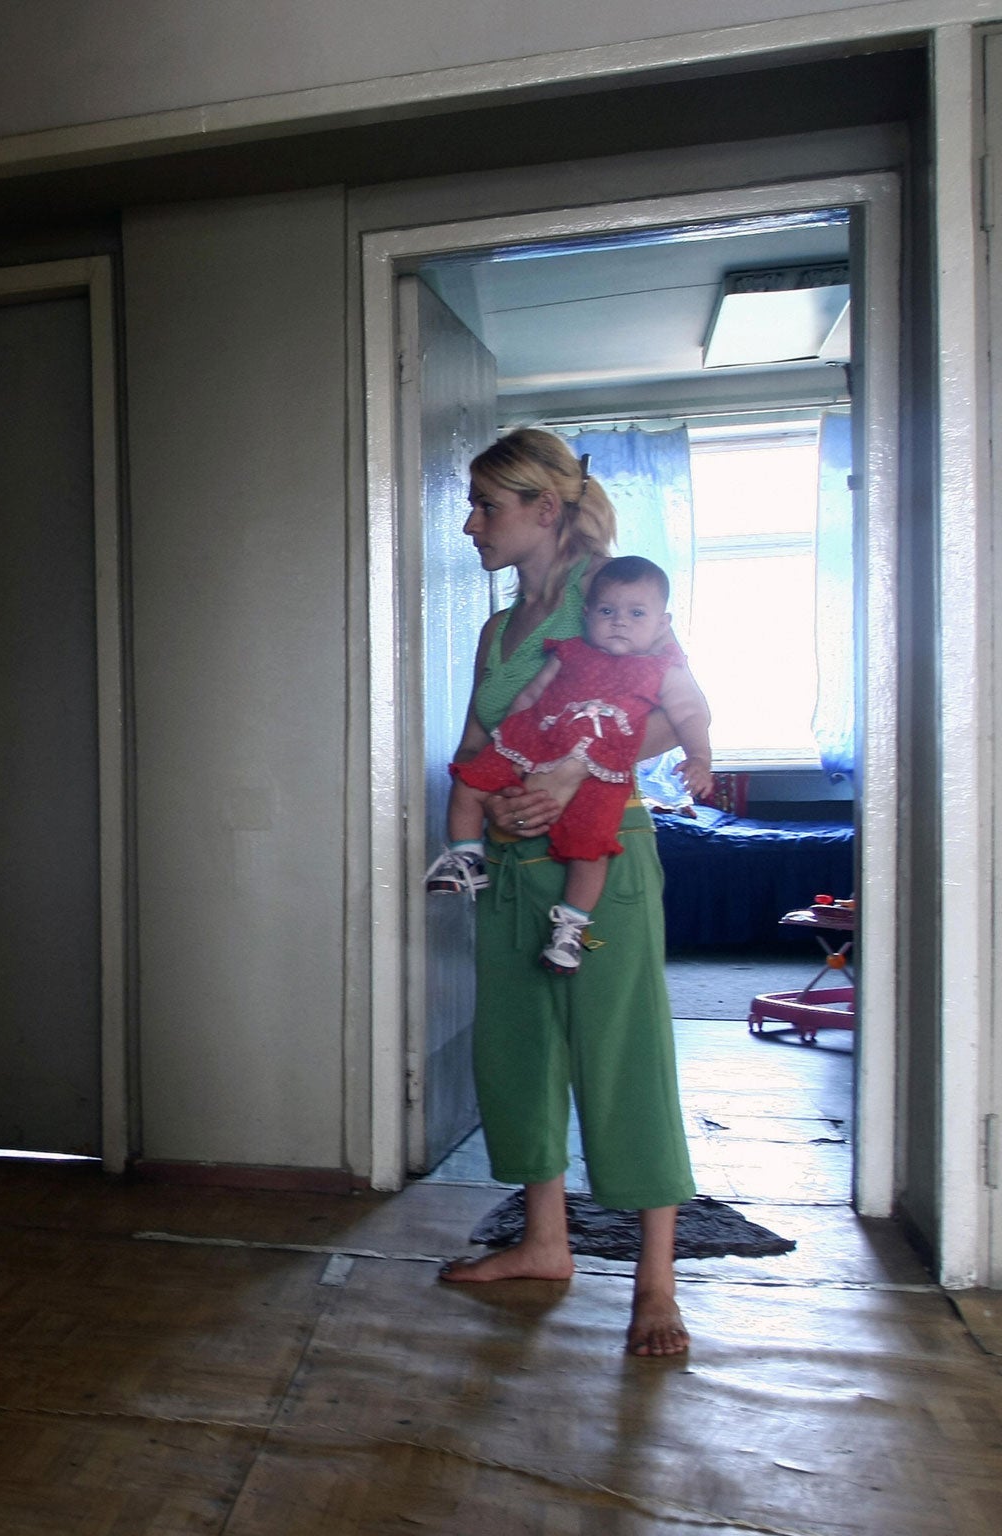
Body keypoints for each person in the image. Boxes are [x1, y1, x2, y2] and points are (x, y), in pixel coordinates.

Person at [432, 429, 698, 1359]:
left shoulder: (616, 600)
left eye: (486, 506)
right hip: (511, 867)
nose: (470, 525)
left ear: (545, 510)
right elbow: (474, 740)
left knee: (619, 1053)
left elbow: (676, 711)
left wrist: (576, 769)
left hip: (602, 864)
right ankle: (545, 1243)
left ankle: (657, 1285)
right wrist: (490, 812)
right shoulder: (498, 630)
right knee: (518, 1051)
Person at [428, 554, 714, 974]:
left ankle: (571, 928)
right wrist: (509, 736)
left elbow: (690, 713)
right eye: (607, 611)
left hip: (598, 774)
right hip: (532, 744)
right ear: (587, 615)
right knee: (468, 782)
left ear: (662, 623)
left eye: (636, 614)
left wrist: (700, 758)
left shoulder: (660, 668)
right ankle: (466, 856)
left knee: (590, 849)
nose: (619, 621)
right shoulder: (570, 652)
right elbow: (530, 695)